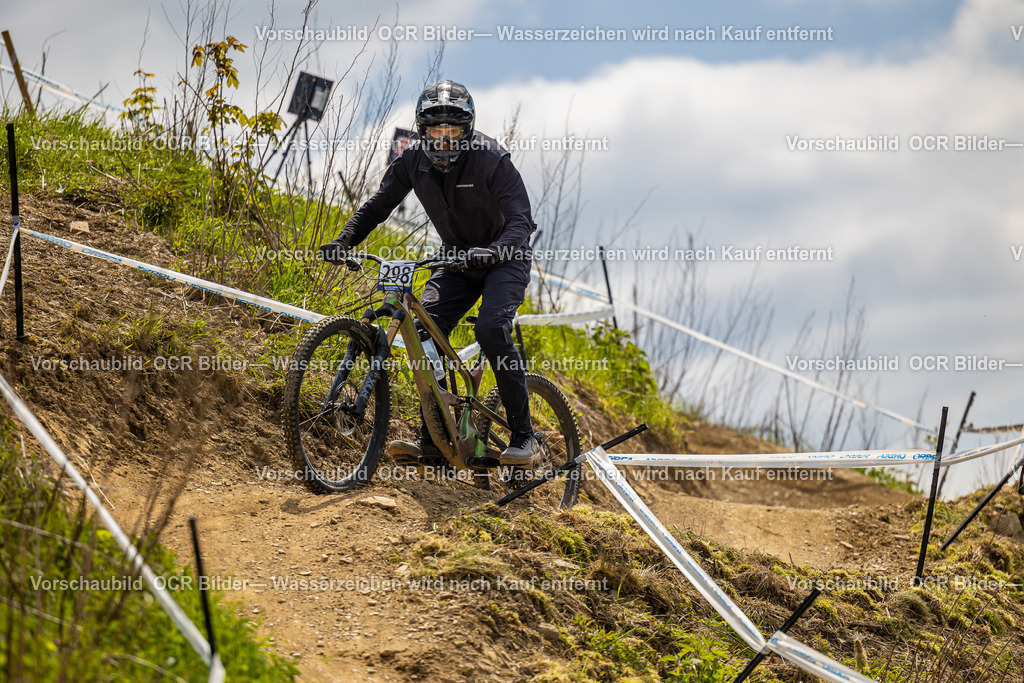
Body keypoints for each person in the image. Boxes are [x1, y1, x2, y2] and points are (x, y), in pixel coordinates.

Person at [318, 79, 538, 466]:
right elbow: (377, 205)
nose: (445, 139)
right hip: (455, 260)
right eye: (436, 130)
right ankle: (436, 440)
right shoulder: (412, 161)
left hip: (505, 258)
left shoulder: (492, 160)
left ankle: (525, 436)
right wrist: (344, 241)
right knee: (422, 335)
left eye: (453, 130)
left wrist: (492, 252)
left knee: (490, 329)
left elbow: (521, 222)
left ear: (467, 130)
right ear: (423, 132)